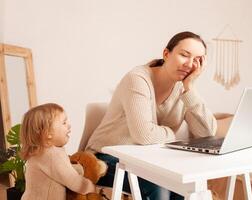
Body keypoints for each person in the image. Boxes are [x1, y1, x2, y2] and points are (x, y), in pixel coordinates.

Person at [86, 31, 217, 200]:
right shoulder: (138, 79)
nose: (189, 64)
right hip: (104, 159)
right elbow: (143, 135)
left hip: (148, 161)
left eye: (197, 60)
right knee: (159, 185)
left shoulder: (184, 89)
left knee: (187, 185)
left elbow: (207, 134)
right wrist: (172, 134)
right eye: (184, 55)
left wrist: (189, 89)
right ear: (166, 54)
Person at [20, 103, 98, 200]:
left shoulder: (40, 152)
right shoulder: (51, 155)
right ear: (48, 133)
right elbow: (73, 181)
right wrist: (91, 188)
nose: (69, 125)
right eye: (64, 123)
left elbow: (61, 170)